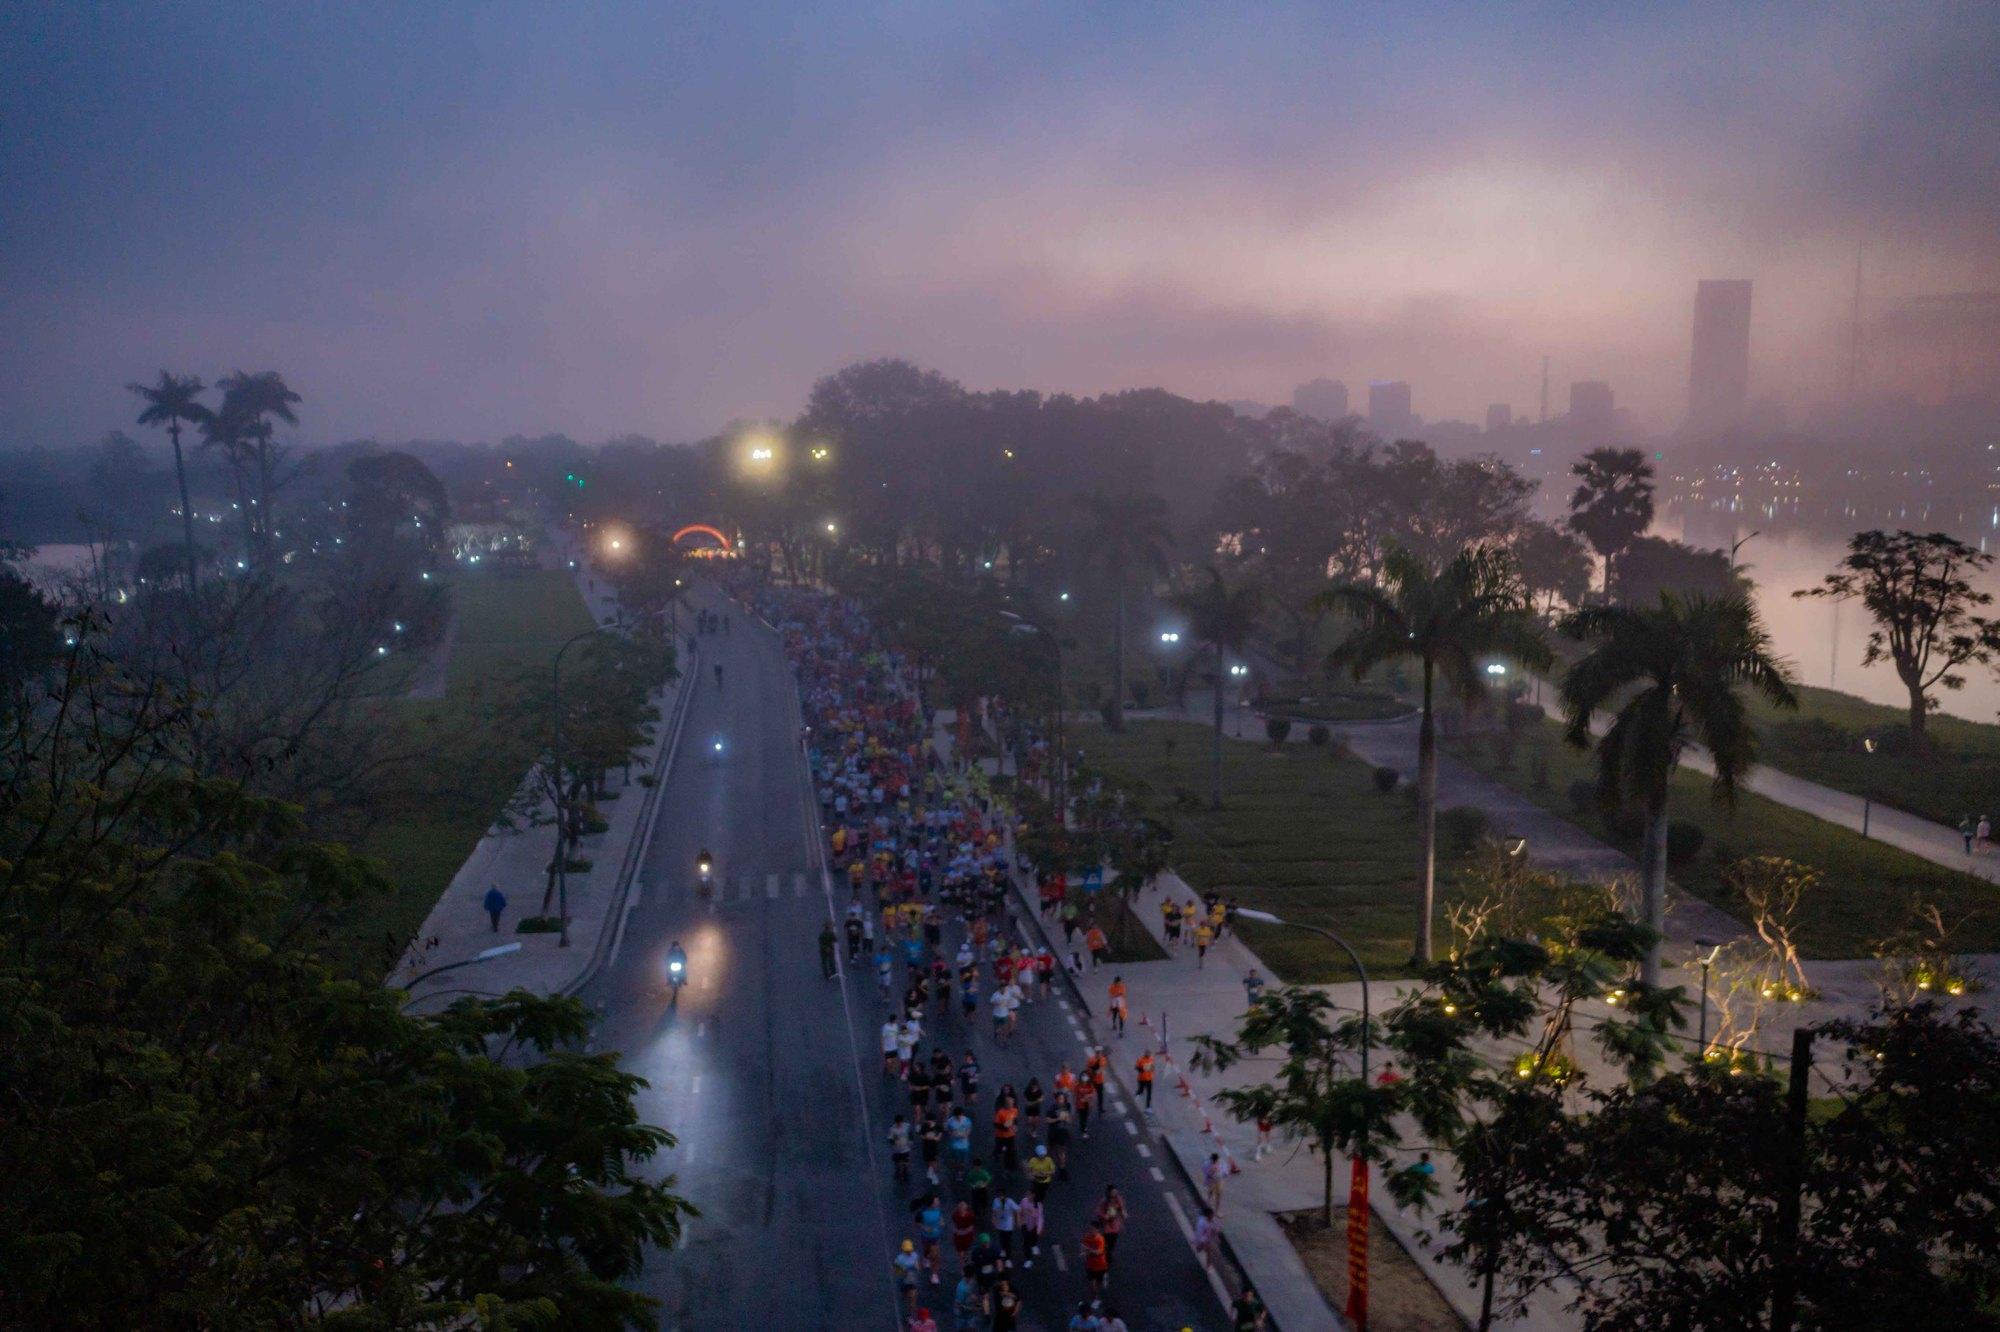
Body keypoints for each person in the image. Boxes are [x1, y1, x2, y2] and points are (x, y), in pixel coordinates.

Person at [1093, 1185, 1128, 1264]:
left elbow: (1122, 1207)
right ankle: (1103, 1252)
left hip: (1115, 1223)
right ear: (1109, 1192)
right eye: (1113, 1192)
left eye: (1115, 1192)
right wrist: (1104, 1216)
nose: (1114, 1193)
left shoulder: (1118, 1199)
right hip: (1107, 1224)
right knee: (1106, 1239)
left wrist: (1123, 1212)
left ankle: (1109, 1252)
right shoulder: (1104, 1201)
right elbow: (1098, 1211)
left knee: (1113, 1240)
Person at [1015, 1190, 1043, 1267]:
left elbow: (1040, 1218)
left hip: (1034, 1225)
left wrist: (1039, 1229)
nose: (1027, 1196)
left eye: (1029, 1194)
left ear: (1033, 1195)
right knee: (1026, 1242)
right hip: (1025, 1224)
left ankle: (1034, 1245)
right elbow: (1019, 1208)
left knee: (1034, 1237)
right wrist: (1018, 1220)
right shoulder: (1024, 1201)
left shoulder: (1038, 1205)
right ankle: (1028, 1259)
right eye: (1026, 1194)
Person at [1079, 1223, 1109, 1297]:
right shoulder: (1087, 1236)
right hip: (1091, 1265)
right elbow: (1083, 1247)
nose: (1091, 1230)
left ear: (1097, 1230)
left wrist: (1087, 1249)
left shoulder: (1100, 1239)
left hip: (1100, 1265)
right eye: (1090, 1229)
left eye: (1093, 1229)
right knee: (1092, 1283)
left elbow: (1098, 1252)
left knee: (1100, 1281)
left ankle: (1104, 1276)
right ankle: (1095, 1296)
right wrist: (1082, 1251)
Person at [894, 1239, 921, 1315]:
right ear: (903, 1249)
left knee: (913, 1299)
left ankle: (910, 1316)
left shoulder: (915, 1256)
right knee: (904, 1296)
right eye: (907, 1250)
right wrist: (904, 1271)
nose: (909, 1252)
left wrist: (916, 1269)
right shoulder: (899, 1259)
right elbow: (897, 1271)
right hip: (903, 1281)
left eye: (910, 1250)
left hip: (912, 1281)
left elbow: (918, 1266)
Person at [990, 1190, 1019, 1263]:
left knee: (1008, 1242)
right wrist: (994, 1220)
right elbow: (994, 1211)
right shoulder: (996, 1201)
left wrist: (1018, 1220)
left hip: (1008, 1225)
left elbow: (1017, 1209)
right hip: (1000, 1224)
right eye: (999, 1196)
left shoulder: (1010, 1202)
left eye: (1001, 1196)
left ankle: (1008, 1258)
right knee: (1002, 1238)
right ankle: (1003, 1249)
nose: (1000, 1197)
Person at [1192, 1206, 1221, 1270]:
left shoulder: (1214, 1220)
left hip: (1209, 1238)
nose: (1212, 1216)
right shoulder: (1201, 1223)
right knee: (1199, 1249)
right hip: (1203, 1238)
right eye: (1211, 1215)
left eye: (1213, 1215)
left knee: (1209, 1251)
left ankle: (1208, 1267)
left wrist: (1216, 1236)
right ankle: (1200, 1247)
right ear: (1207, 1216)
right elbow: (1199, 1234)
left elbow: (1216, 1229)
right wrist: (1202, 1241)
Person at [889, 1115, 913, 1183]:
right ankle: (897, 1172)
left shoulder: (907, 1126)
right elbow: (890, 1139)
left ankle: (905, 1174)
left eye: (900, 1123)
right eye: (897, 1124)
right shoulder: (892, 1129)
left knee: (906, 1162)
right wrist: (894, 1142)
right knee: (897, 1163)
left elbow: (911, 1133)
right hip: (897, 1150)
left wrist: (911, 1140)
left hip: (906, 1149)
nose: (899, 1125)